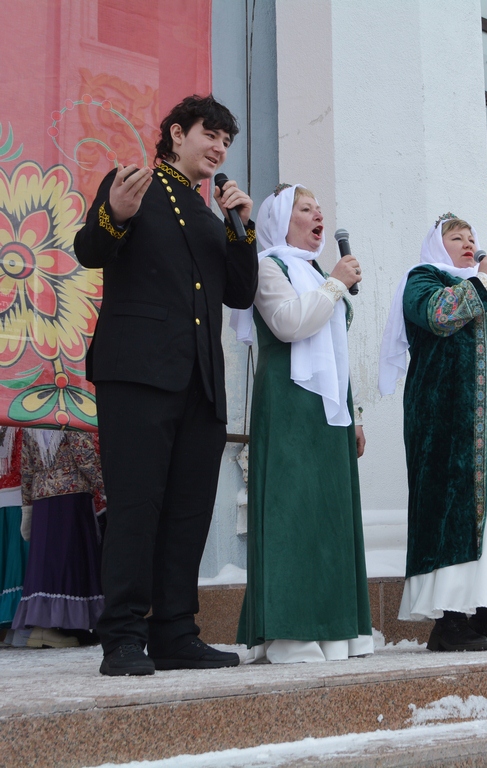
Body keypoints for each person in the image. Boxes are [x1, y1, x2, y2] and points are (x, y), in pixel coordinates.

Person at [73, 94, 258, 675]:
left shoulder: (209, 216)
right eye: (210, 135)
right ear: (177, 134)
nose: (219, 149)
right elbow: (89, 250)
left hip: (200, 381)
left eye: (226, 142)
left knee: (187, 512)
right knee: (137, 506)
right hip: (137, 374)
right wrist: (115, 215)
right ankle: (123, 637)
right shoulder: (131, 187)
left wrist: (242, 231)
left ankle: (176, 632)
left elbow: (240, 294)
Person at [379, 214, 487, 652]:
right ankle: (450, 620)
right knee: (455, 512)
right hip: (451, 421)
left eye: (471, 237)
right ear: (436, 246)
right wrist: (480, 280)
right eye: (455, 237)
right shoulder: (423, 278)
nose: (467, 244)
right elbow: (438, 316)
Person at [231, 184, 372, 662]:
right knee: (292, 510)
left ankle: (335, 630)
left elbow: (336, 350)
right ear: (280, 220)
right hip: (289, 402)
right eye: (305, 209)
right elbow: (289, 324)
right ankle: (290, 632)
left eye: (319, 209)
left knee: (330, 514)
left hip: (330, 407)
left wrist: (354, 413)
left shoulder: (314, 272)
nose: (317, 216)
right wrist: (335, 284)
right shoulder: (268, 265)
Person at [11, 430, 105, 648]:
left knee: (48, 561)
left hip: (42, 498)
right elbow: (84, 456)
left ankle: (56, 626)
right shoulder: (69, 418)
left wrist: (27, 504)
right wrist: (105, 486)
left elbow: (27, 467)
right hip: (71, 497)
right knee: (71, 560)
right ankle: (61, 626)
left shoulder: (33, 423)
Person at [0, 428, 27, 640]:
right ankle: (18, 625)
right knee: (17, 562)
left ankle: (10, 629)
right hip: (17, 496)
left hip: (8, 496)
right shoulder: (18, 423)